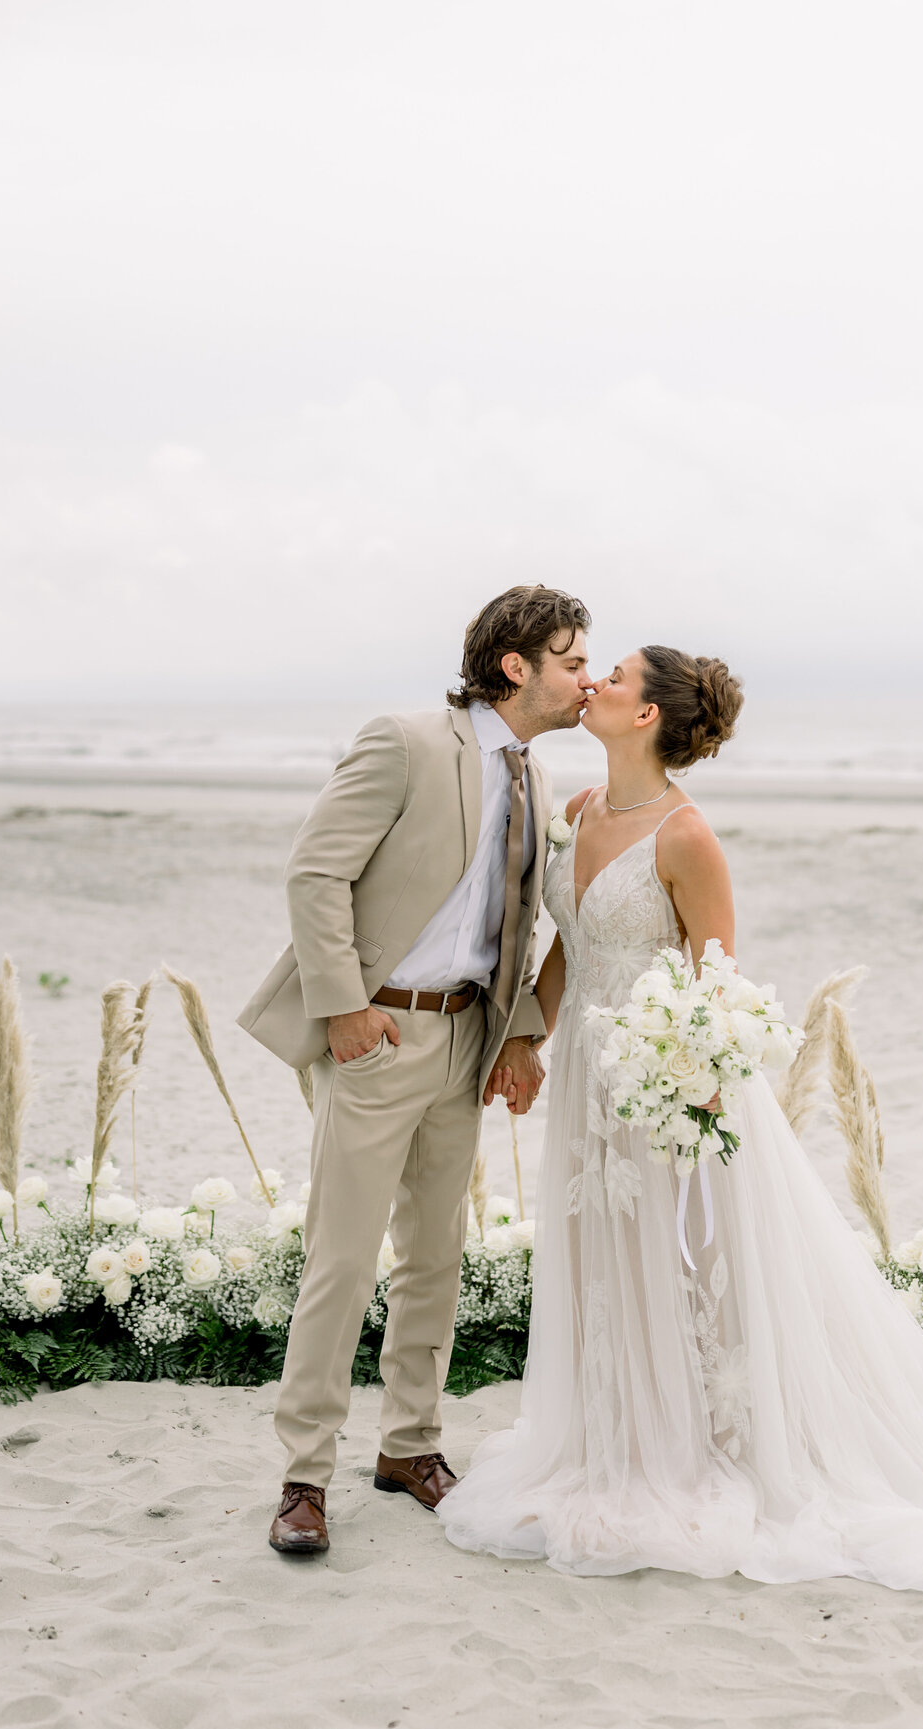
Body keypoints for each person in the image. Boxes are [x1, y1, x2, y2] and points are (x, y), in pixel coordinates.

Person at [438, 645, 923, 1595]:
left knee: (690, 1269)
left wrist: (685, 1086)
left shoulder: (687, 839)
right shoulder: (580, 812)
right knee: (602, 1254)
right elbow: (570, 942)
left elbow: (714, 981)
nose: (595, 684)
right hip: (586, 1084)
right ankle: (619, 1435)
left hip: (669, 1088)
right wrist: (527, 1036)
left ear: (646, 716)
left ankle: (700, 1451)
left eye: (614, 677)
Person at [238, 585, 592, 1553]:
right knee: (343, 1261)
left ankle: (410, 1448)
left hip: (468, 1039)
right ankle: (304, 1476)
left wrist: (519, 1036)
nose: (585, 677)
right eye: (570, 660)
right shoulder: (403, 740)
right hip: (379, 1036)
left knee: (436, 1259)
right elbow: (317, 873)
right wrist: (345, 1007)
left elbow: (516, 931)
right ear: (515, 667)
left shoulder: (535, 776)